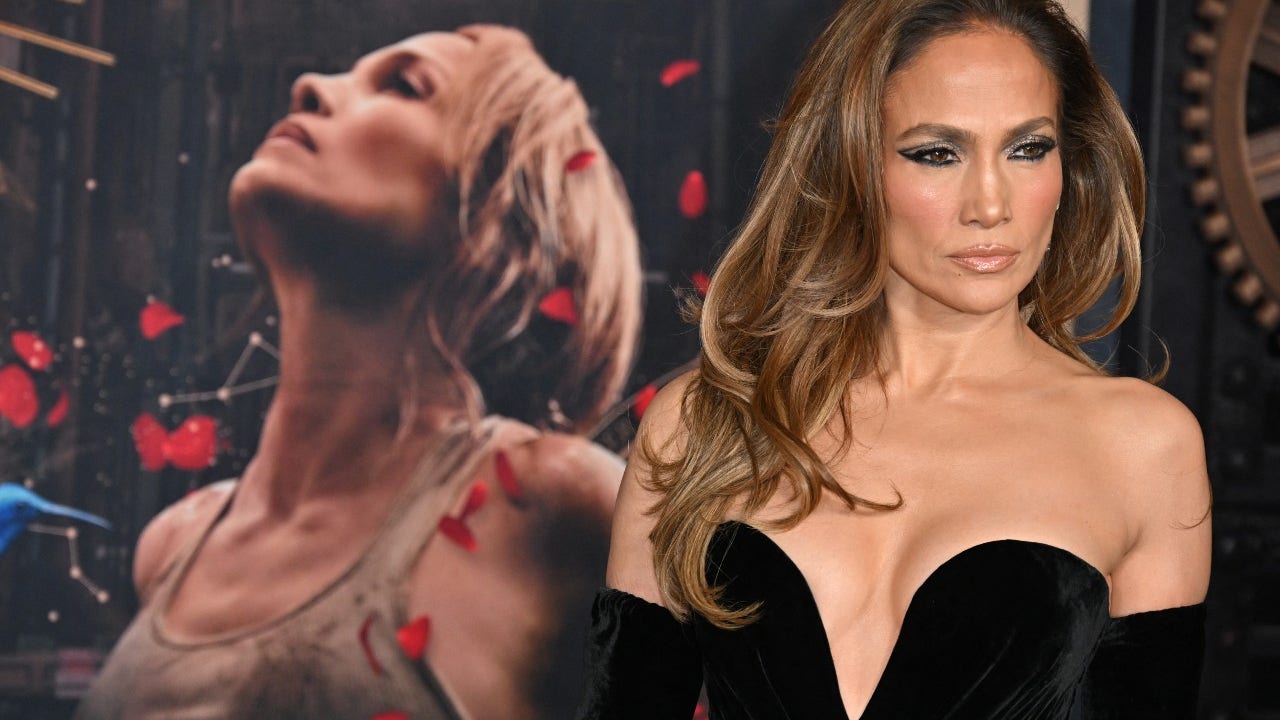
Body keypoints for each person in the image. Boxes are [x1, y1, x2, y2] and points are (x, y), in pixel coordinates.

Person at [577, 1, 1212, 718]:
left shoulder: (1143, 448)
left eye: (1028, 149)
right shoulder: (701, 425)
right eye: (937, 153)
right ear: (850, 165)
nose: (991, 205)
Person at [76, 24, 642, 720]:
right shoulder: (172, 546)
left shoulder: (553, 508)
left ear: (497, 207)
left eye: (404, 86)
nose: (310, 86)